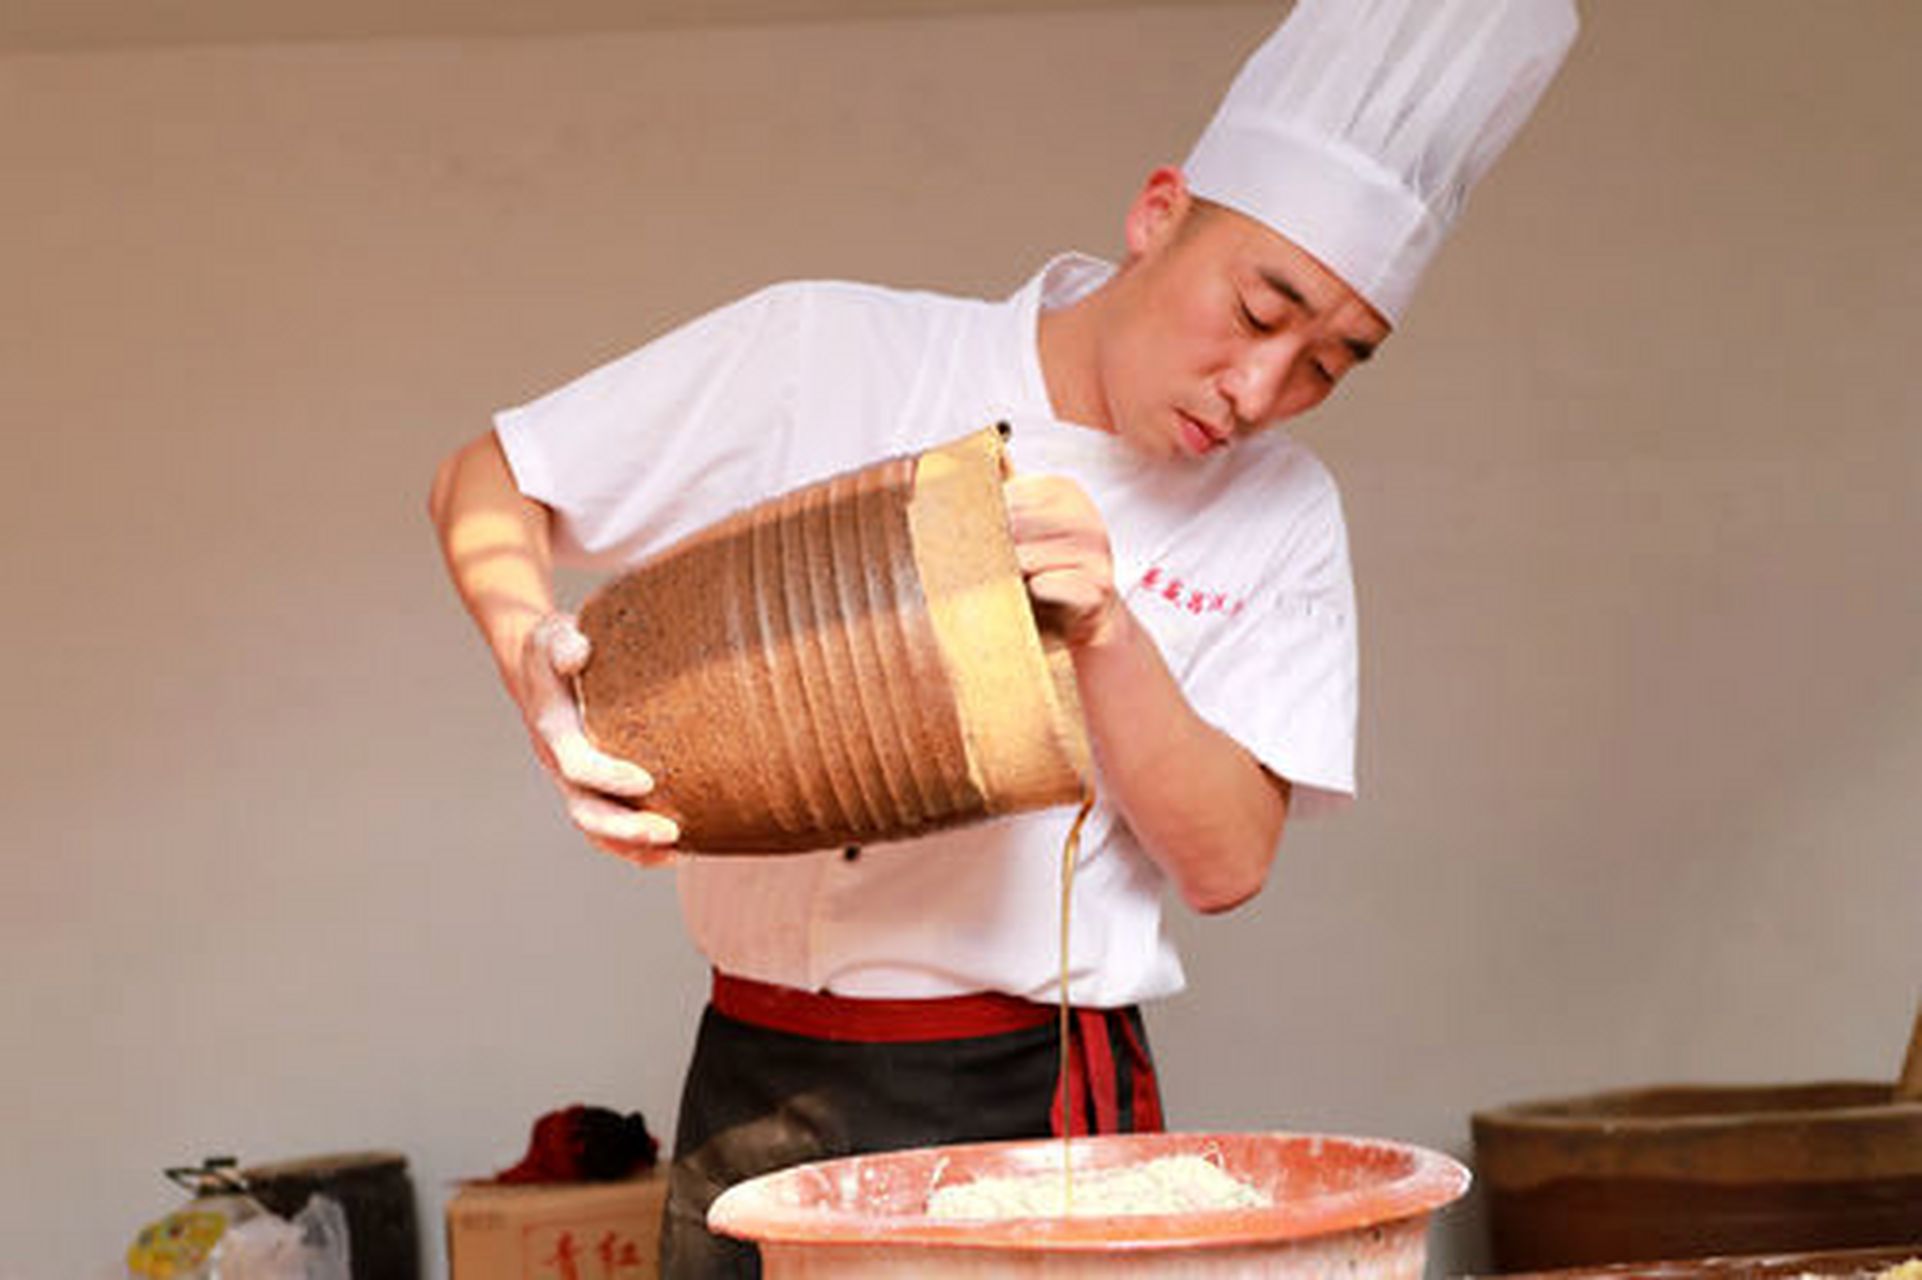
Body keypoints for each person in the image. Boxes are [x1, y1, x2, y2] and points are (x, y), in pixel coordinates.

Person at [428, 2, 1578, 1274]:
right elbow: (491, 478)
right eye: (1258, 311)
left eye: (1329, 364)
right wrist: (533, 651)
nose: (1260, 391)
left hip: (1034, 1093)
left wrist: (1106, 630)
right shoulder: (836, 351)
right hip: (748, 1072)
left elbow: (1226, 859)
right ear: (1157, 214)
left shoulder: (1281, 514)